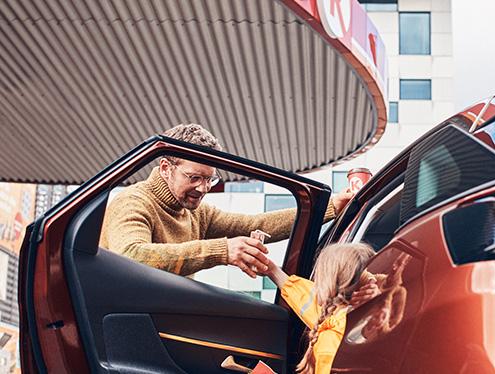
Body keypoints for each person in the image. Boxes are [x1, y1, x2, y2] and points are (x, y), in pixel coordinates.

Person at [99, 124, 353, 277]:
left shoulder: (195, 212)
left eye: (210, 179)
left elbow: (255, 224)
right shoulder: (133, 202)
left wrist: (331, 207)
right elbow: (131, 255)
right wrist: (223, 251)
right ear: (166, 167)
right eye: (194, 177)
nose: (203, 188)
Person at [264, 243, 375, 374]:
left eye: (318, 279)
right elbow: (304, 297)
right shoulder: (372, 319)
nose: (314, 287)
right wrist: (271, 270)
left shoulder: (331, 336)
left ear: (329, 286)